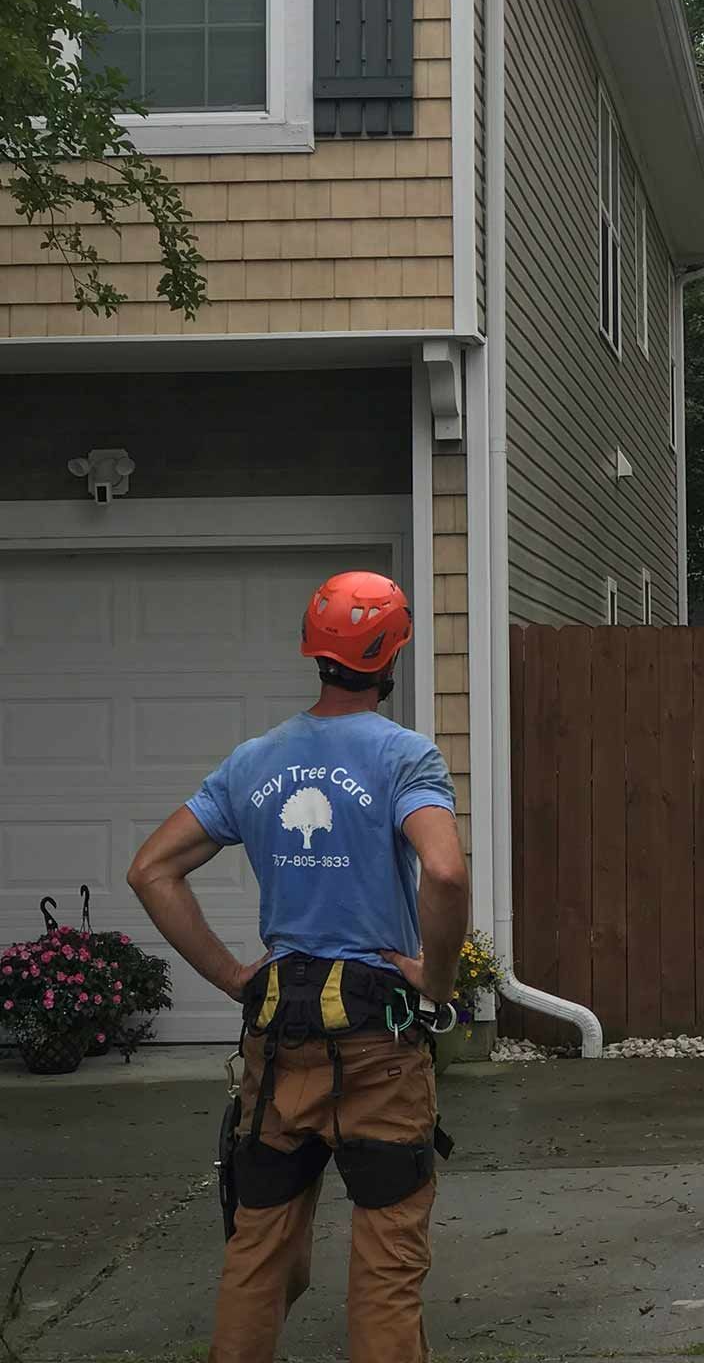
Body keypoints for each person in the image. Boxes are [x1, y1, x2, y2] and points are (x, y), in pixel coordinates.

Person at [128, 569, 468, 1363]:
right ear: (391, 656)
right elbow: (446, 873)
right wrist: (438, 982)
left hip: (278, 1041)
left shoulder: (255, 761)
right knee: (385, 1267)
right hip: (378, 1048)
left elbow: (150, 870)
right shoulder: (402, 756)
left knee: (258, 1256)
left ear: (314, 651)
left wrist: (232, 976)